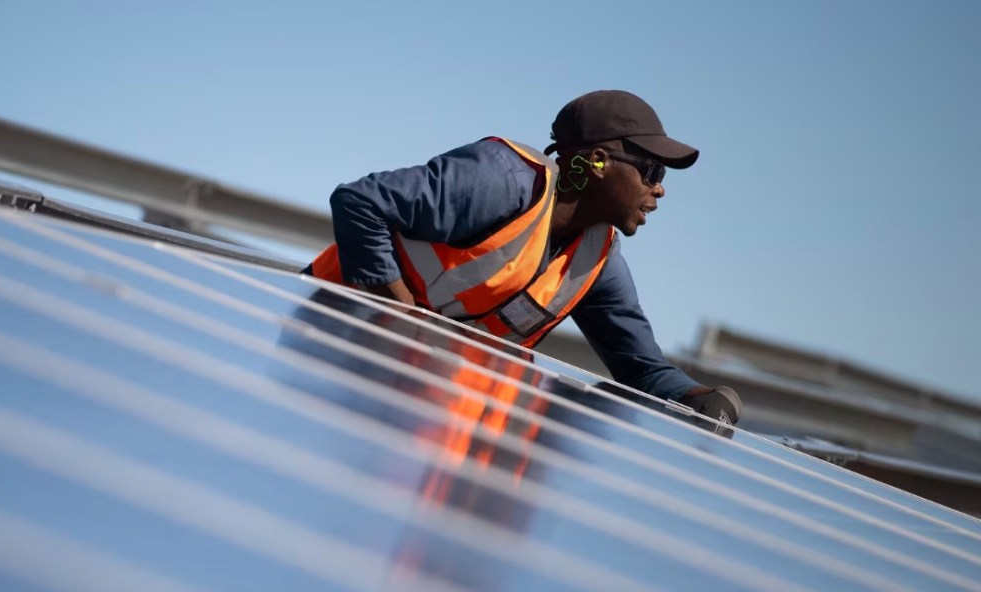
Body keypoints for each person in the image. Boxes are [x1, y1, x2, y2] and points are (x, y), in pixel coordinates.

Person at [304, 89, 742, 430]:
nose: (660, 189)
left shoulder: (598, 260)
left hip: (411, 406)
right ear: (599, 162)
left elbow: (639, 366)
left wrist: (699, 397)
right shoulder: (502, 181)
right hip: (327, 350)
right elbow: (361, 202)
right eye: (652, 171)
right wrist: (404, 323)